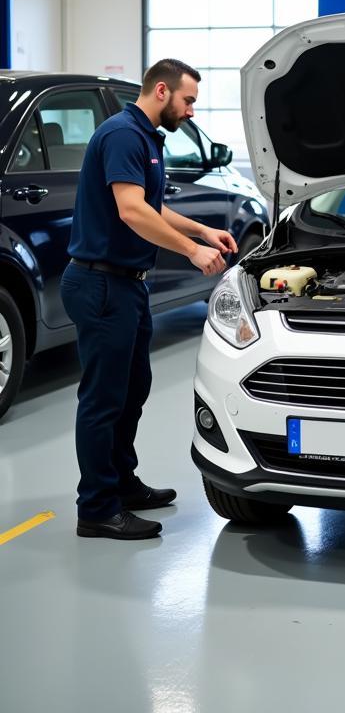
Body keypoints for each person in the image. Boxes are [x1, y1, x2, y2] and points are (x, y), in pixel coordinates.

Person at [62, 59, 236, 541]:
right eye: (188, 100)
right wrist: (192, 251)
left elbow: (151, 204)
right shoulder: (123, 134)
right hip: (101, 284)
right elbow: (131, 210)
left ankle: (121, 484)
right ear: (162, 91)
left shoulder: (145, 137)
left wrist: (202, 228)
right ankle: (96, 508)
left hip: (127, 284)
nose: (192, 111)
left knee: (132, 389)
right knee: (103, 400)